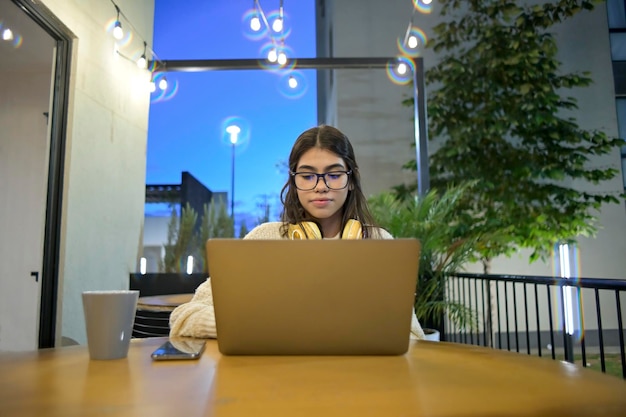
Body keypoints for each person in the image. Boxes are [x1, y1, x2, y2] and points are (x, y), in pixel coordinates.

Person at [169, 125, 425, 339]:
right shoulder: (264, 240)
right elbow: (184, 318)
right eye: (307, 176)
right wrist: (264, 327)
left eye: (334, 175)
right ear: (294, 182)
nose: (321, 187)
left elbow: (413, 335)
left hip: (358, 383)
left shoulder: (380, 243)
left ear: (351, 181)